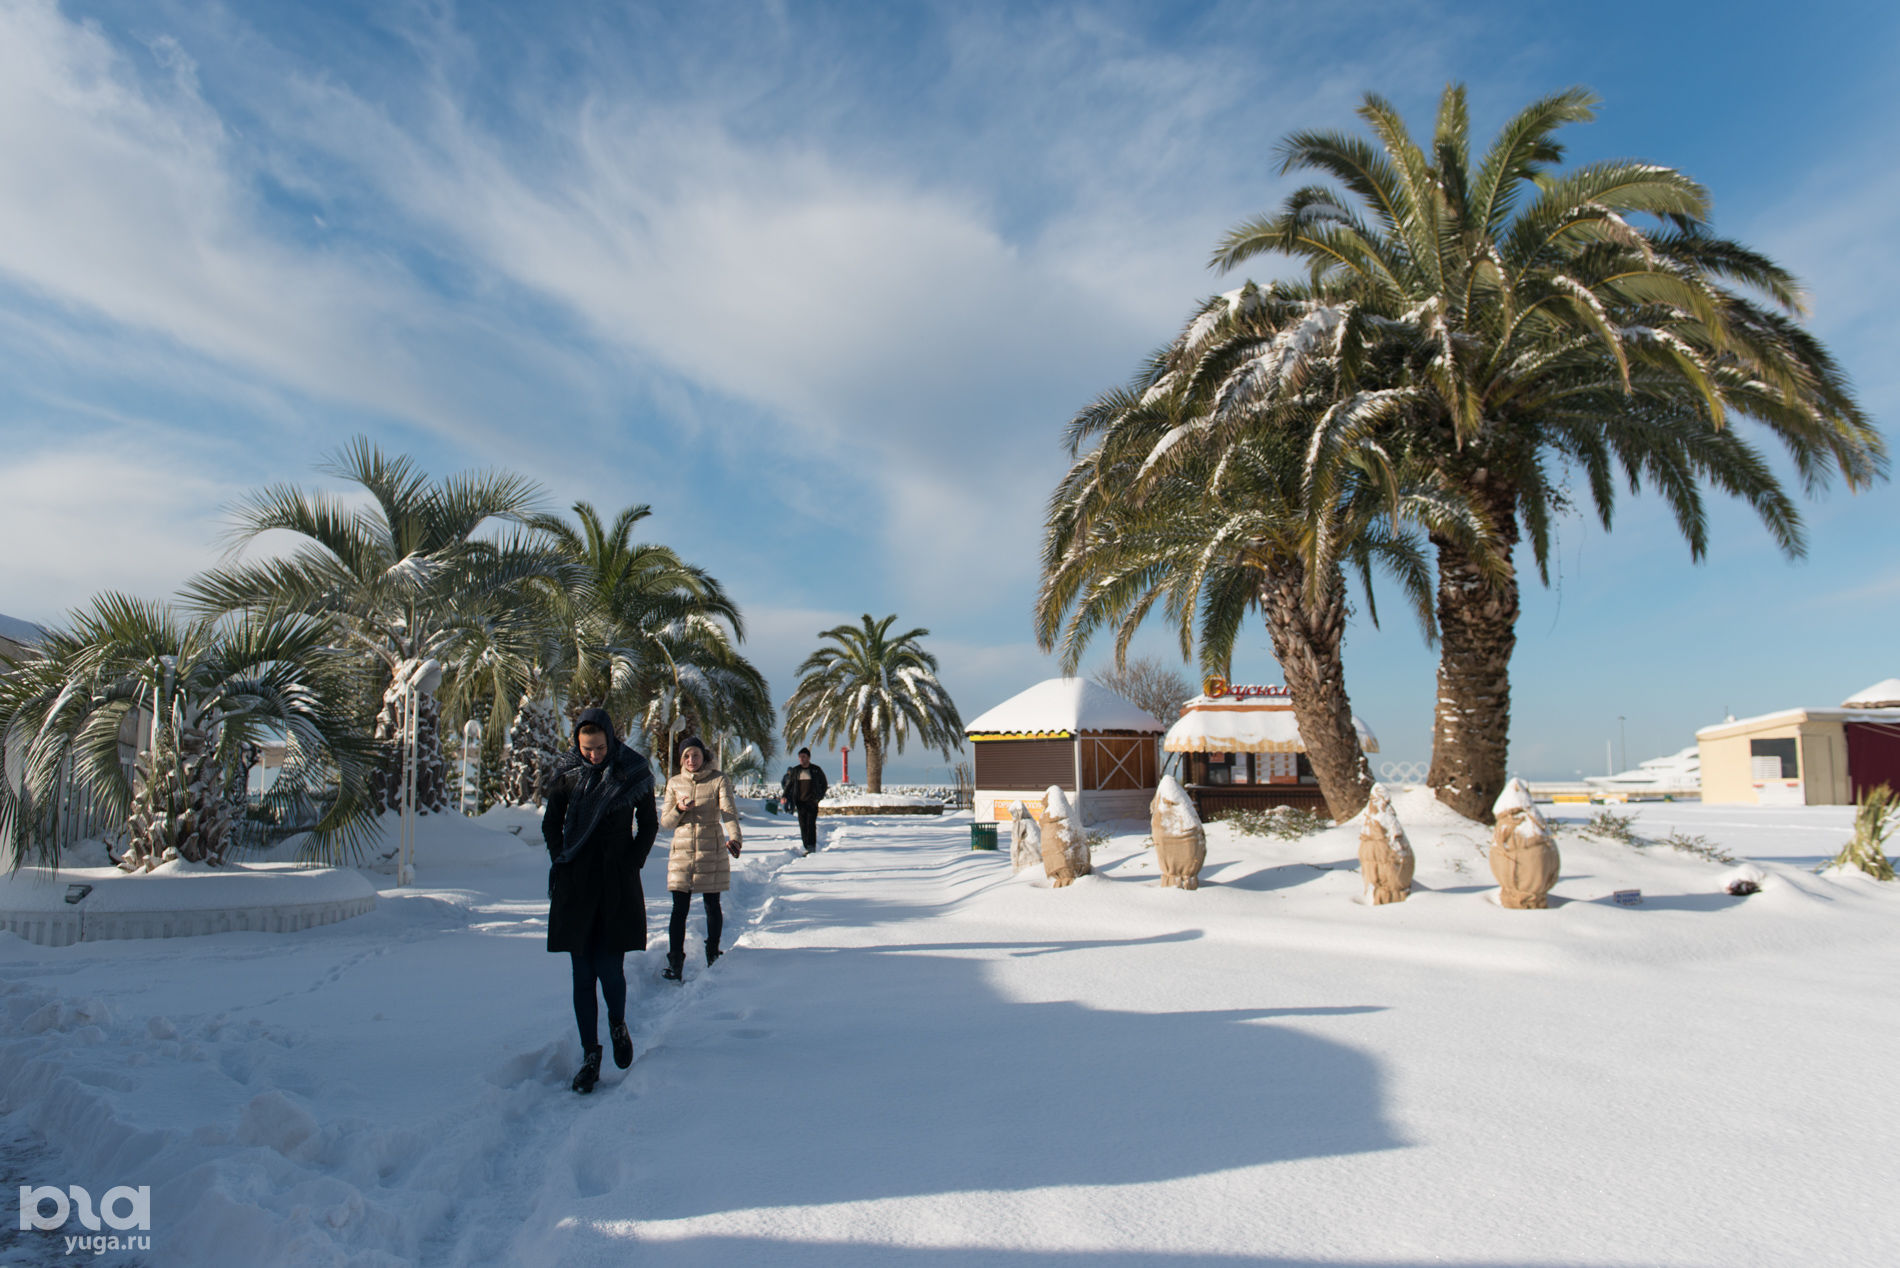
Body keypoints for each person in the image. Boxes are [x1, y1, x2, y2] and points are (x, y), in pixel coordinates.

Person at [542, 708, 658, 1094]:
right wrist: (562, 857)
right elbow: (550, 823)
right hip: (576, 887)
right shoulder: (567, 773)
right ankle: (590, 1054)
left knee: (610, 968)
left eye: (600, 747)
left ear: (612, 739)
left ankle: (618, 1024)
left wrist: (632, 861)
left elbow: (650, 823)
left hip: (615, 884)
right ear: (577, 743)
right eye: (587, 748)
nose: (594, 755)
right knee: (582, 974)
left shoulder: (633, 771)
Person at [658, 736, 742, 981]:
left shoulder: (718, 780)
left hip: (710, 849)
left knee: (712, 905)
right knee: (679, 909)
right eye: (686, 756)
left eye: (695, 755)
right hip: (682, 853)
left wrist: (735, 839)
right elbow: (665, 823)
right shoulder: (674, 783)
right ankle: (675, 960)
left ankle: (712, 952)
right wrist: (679, 809)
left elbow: (728, 813)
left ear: (704, 756)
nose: (691, 760)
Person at [779, 746, 829, 854]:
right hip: (800, 802)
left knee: (811, 824)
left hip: (812, 802)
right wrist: (784, 796)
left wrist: (818, 798)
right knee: (803, 825)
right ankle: (806, 845)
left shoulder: (816, 770)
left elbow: (824, 784)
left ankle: (811, 847)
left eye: (803, 757)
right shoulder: (796, 771)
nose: (801, 759)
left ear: (808, 758)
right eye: (800, 757)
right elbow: (789, 785)